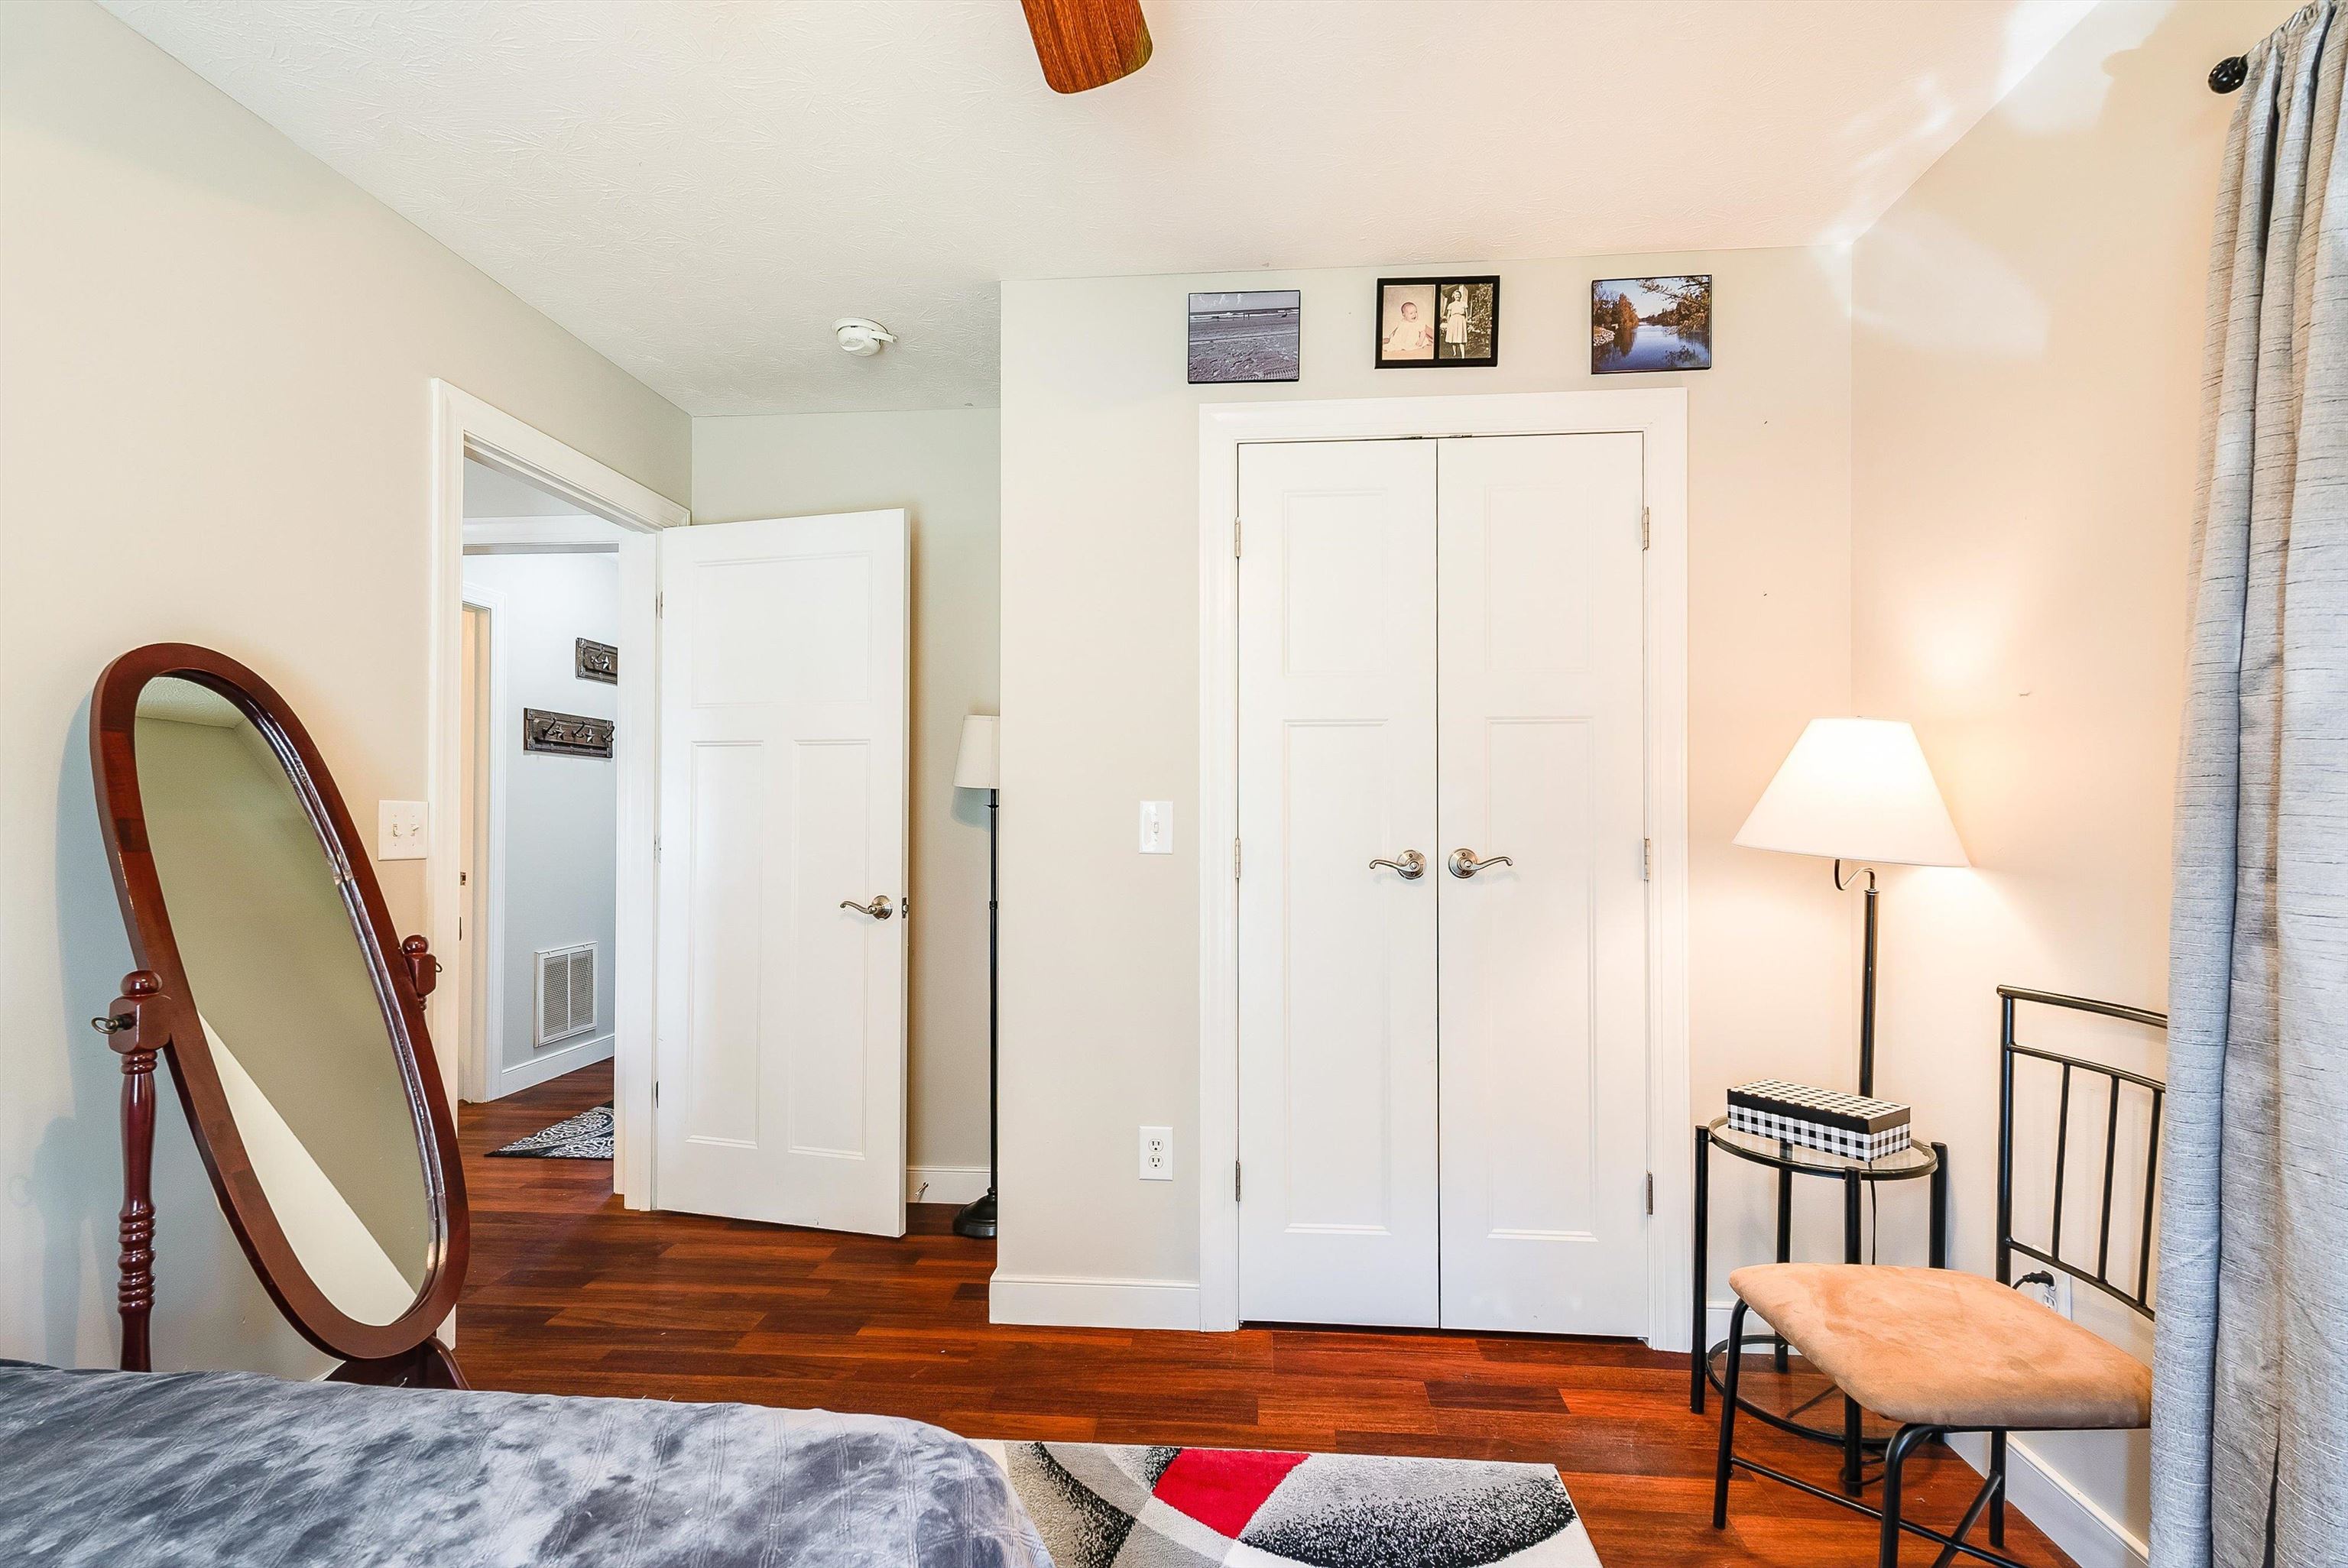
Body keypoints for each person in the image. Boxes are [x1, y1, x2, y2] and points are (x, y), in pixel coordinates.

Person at [1384, 296, 1432, 360]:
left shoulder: (1418, 323)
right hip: (1403, 338)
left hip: (1413, 340)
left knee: (1414, 345)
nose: (1414, 315)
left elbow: (1423, 332)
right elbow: (1398, 328)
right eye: (1411, 313)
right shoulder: (1403, 321)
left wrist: (1420, 341)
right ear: (1404, 315)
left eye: (1416, 312)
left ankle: (1427, 342)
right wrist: (1393, 333)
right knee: (1395, 343)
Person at [1442, 287, 1470, 357]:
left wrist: (1466, 320)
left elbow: (1467, 313)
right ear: (1454, 296)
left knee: (1461, 338)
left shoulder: (1464, 304)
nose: (1457, 296)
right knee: (1453, 337)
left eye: (1458, 295)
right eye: (1456, 295)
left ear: (1460, 296)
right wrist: (1448, 323)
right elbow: (1448, 315)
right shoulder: (1451, 305)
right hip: (1453, 320)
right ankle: (1455, 353)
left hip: (1461, 320)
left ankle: (1463, 355)